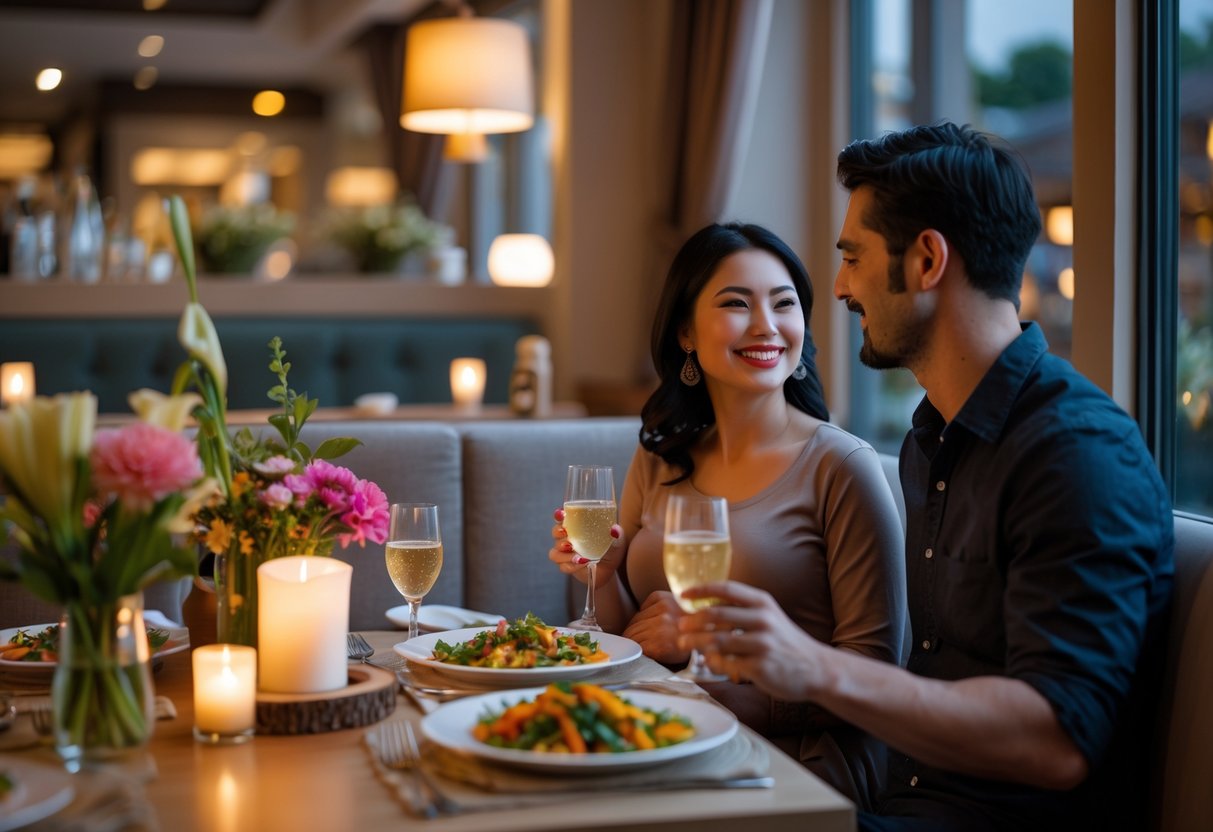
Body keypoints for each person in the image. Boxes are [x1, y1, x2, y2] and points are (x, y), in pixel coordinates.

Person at [677, 123, 1175, 831]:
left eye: (852, 256)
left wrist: (812, 667)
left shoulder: (1074, 453)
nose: (841, 287)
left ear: (926, 260)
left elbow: (1055, 740)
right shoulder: (930, 440)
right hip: (900, 802)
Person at [549, 221, 908, 808]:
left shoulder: (842, 467)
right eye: (737, 304)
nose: (766, 325)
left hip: (797, 762)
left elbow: (875, 677)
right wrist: (605, 574)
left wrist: (720, 687)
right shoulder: (661, 453)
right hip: (662, 730)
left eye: (784, 304)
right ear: (686, 332)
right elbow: (622, 638)